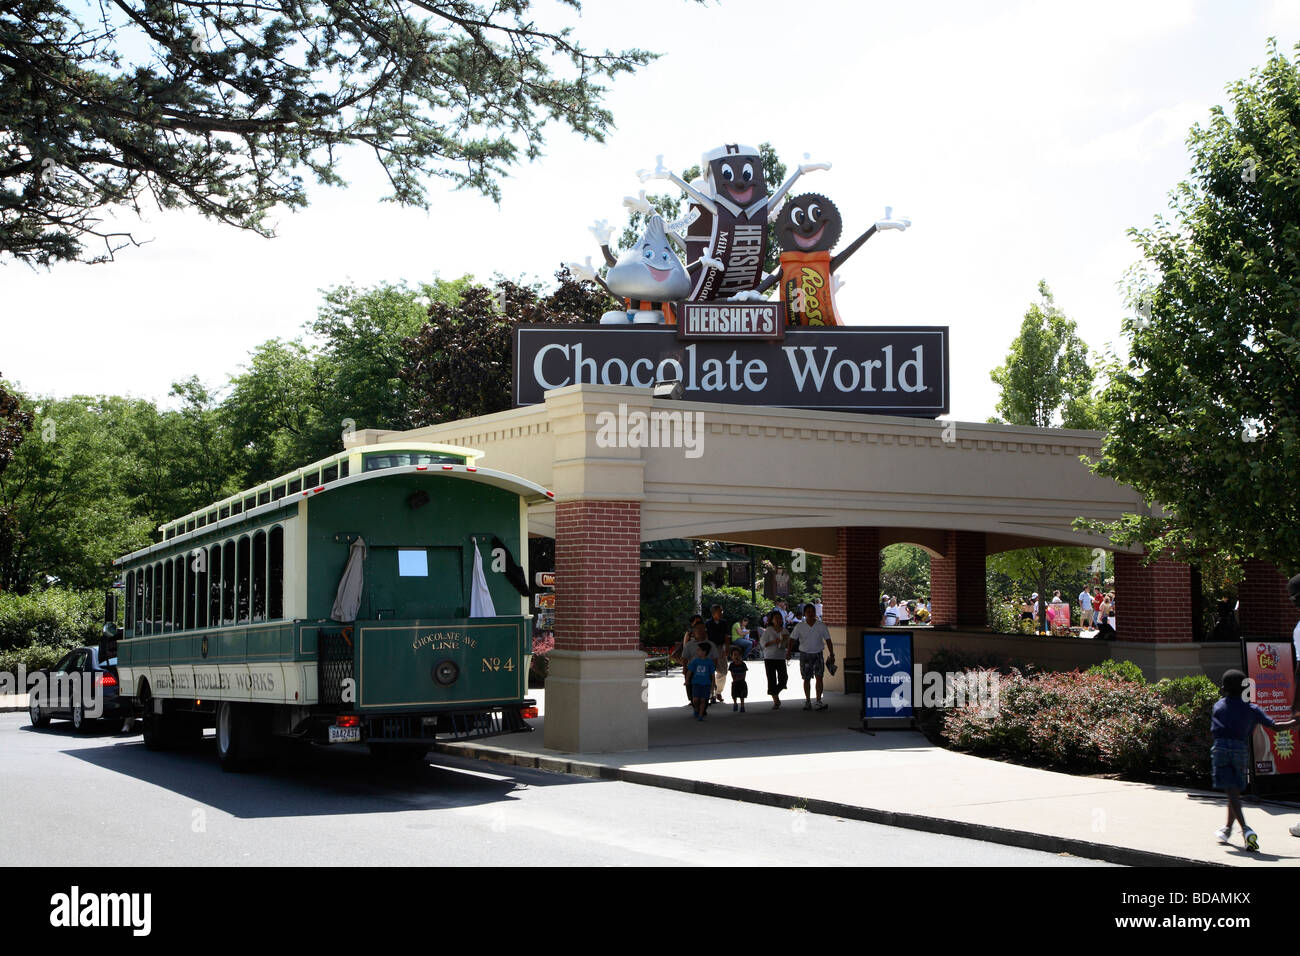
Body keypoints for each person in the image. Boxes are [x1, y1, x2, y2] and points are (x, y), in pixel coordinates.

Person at [1213, 669, 1296, 849]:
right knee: (1233, 791)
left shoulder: (1219, 706)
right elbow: (1275, 727)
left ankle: (1246, 830)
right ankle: (1227, 828)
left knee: (1232, 792)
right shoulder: (1252, 708)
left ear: (1224, 688)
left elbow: (1215, 729)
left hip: (1221, 749)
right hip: (1240, 750)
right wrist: (1294, 722)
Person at [790, 603, 835, 711]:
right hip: (805, 655)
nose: (811, 614)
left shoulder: (821, 625)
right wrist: (788, 652)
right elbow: (792, 639)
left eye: (813, 611)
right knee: (806, 679)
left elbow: (828, 640)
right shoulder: (800, 626)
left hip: (818, 654)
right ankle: (808, 701)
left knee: (819, 677)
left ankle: (818, 701)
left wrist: (832, 654)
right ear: (805, 613)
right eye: (808, 612)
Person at [760, 609, 789, 708]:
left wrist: (785, 642)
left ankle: (773, 692)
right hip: (769, 657)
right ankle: (776, 700)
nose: (778, 620)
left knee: (783, 679)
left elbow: (788, 645)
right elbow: (763, 644)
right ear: (772, 620)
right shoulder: (768, 630)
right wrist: (774, 641)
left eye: (780, 618)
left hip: (781, 657)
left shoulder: (785, 631)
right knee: (771, 679)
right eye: (776, 618)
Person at [705, 604, 730, 703]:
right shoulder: (708, 623)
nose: (721, 613)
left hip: (721, 647)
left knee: (723, 671)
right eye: (720, 611)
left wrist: (727, 648)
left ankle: (718, 691)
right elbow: (706, 637)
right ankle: (712, 694)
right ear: (714, 613)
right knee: (710, 672)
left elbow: (726, 636)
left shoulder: (724, 622)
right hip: (711, 648)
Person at [686, 642, 716, 722]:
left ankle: (700, 714)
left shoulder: (709, 662)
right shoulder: (695, 661)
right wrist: (687, 680)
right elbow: (689, 671)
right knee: (695, 699)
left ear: (704, 652)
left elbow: (713, 674)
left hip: (706, 684)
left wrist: (713, 684)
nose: (697, 651)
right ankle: (696, 708)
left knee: (703, 700)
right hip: (696, 683)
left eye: (699, 650)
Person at [728, 647, 749, 712]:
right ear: (732, 657)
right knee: (734, 694)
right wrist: (735, 679)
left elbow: (745, 672)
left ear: (741, 656)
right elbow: (731, 673)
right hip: (735, 682)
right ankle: (735, 703)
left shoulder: (743, 664)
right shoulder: (731, 665)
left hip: (742, 681)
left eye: (738, 655)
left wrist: (742, 679)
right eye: (735, 655)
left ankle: (742, 706)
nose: (737, 656)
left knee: (742, 695)